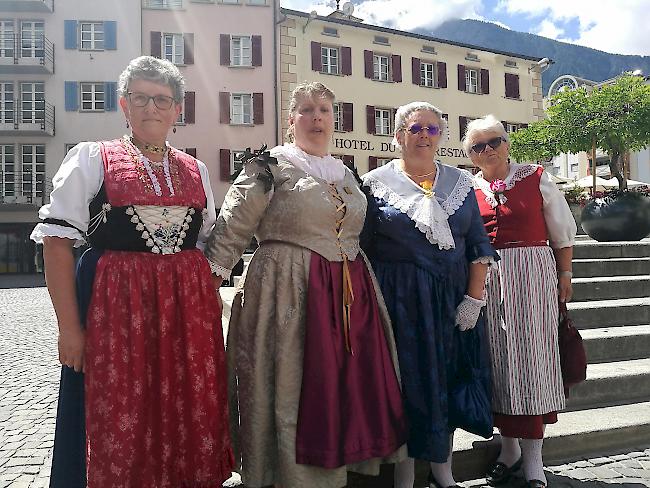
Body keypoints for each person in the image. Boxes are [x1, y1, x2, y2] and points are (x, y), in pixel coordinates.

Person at [30, 56, 233, 488]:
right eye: (140, 98)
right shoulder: (92, 159)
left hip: (184, 318)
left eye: (161, 99)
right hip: (113, 312)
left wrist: (203, 293)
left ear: (178, 109)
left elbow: (205, 244)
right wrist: (70, 329)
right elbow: (56, 242)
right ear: (124, 105)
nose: (151, 108)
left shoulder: (195, 169)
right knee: (117, 406)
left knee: (184, 402)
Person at [204, 81, 407, 488]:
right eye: (307, 110)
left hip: (351, 290)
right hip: (286, 287)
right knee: (293, 381)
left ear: (335, 119)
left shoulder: (344, 171)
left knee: (344, 382)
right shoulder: (269, 166)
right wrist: (208, 284)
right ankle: (288, 473)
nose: (317, 117)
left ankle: (345, 459)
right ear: (291, 118)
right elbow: (233, 227)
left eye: (325, 110)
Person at [361, 102, 498, 488]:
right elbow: (364, 248)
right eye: (416, 128)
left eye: (433, 129)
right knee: (409, 386)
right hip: (399, 301)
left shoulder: (460, 183)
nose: (424, 135)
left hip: (452, 299)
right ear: (399, 134)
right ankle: (405, 475)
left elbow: (477, 243)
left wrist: (473, 299)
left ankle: (443, 471)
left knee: (449, 381)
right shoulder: (374, 184)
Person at [465, 115, 576, 488]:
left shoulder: (536, 176)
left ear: (507, 142)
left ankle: (534, 462)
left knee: (533, 364)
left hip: (533, 277)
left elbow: (561, 232)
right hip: (489, 282)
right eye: (478, 146)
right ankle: (509, 449)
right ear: (471, 155)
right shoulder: (468, 188)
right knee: (498, 363)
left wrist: (565, 275)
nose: (488, 150)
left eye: (494, 141)